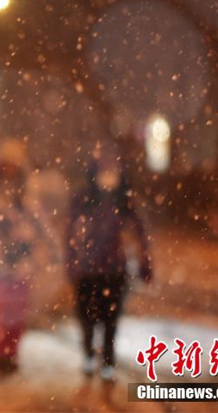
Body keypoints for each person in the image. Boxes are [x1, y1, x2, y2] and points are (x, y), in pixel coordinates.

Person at [64, 159, 153, 380]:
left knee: (110, 318)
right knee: (87, 316)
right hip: (88, 270)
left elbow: (140, 233)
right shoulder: (85, 200)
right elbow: (70, 233)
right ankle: (90, 355)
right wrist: (72, 260)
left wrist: (145, 262)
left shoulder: (124, 201)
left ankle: (106, 360)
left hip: (113, 270)